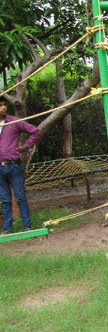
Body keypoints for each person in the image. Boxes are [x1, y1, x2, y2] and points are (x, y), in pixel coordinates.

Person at [0, 96, 40, 234]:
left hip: (14, 166)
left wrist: (26, 146)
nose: (3, 107)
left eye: (4, 105)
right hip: (0, 168)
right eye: (0, 105)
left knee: (20, 197)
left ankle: (27, 227)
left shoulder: (14, 121)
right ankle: (7, 230)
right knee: (5, 200)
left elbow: (35, 131)